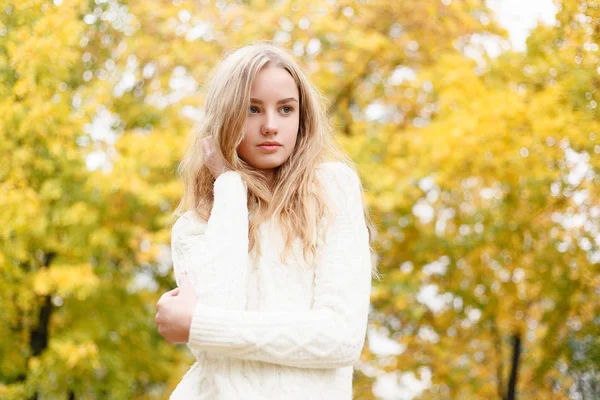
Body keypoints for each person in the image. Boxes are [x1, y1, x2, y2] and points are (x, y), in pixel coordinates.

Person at [155, 42, 374, 400]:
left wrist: (199, 324)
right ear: (225, 116)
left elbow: (341, 338)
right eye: (252, 109)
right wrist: (229, 186)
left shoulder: (331, 189)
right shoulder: (196, 225)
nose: (271, 126)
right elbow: (215, 328)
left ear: (302, 117)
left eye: (286, 109)